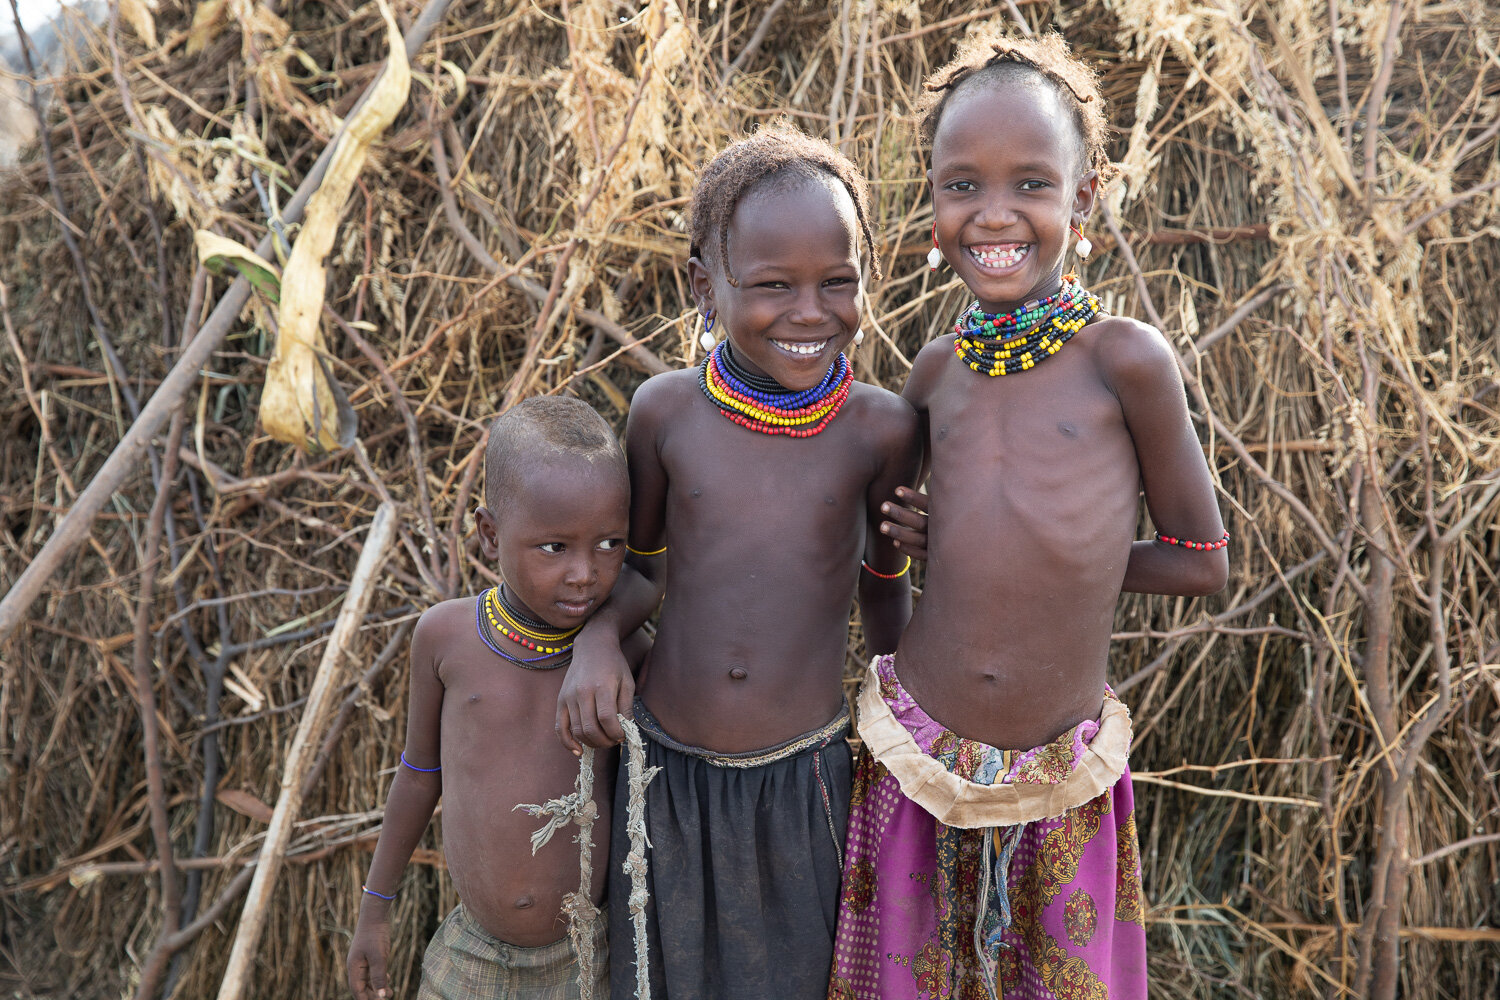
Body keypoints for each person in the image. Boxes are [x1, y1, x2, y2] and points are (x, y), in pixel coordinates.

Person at [828, 31, 1229, 1000]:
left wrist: (1070, 558)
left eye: (1031, 185)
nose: (993, 213)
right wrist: (931, 557)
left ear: (1082, 199)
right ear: (931, 203)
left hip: (1061, 774)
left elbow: (1201, 557)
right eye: (962, 185)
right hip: (914, 753)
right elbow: (885, 554)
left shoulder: (1125, 360)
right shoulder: (932, 374)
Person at [554, 123, 922, 1000]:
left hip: (809, 780)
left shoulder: (881, 430)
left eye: (839, 282)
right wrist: (597, 644)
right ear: (703, 286)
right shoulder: (665, 414)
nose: (809, 311)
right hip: (664, 771)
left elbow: (883, 591)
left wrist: (908, 717)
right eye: (771, 286)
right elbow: (640, 570)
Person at [348, 396, 643, 1000]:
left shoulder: (627, 659)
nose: (585, 573)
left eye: (611, 543)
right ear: (488, 533)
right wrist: (374, 911)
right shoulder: (446, 638)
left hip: (588, 958)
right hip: (471, 955)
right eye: (554, 548)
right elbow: (417, 775)